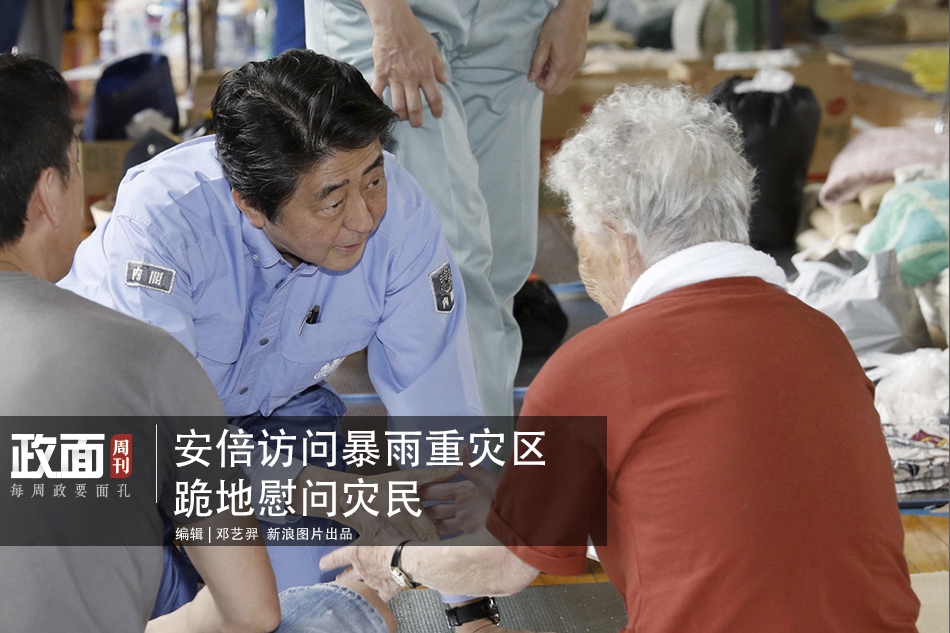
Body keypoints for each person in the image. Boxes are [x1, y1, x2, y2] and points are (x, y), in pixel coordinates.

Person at [319, 84, 923, 632]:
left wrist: (393, 559)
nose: (582, 260)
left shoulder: (594, 367)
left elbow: (502, 568)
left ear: (620, 238)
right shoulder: (824, 337)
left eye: (580, 236)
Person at [59, 47, 493, 615]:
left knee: (339, 608)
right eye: (332, 200)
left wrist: (472, 614)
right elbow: (175, 452)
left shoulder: (403, 220)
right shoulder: (163, 226)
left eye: (374, 179)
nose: (363, 217)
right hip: (122, 442)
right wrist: (339, 492)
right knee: (126, 608)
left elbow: (441, 415)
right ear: (251, 205)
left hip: (274, 423)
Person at [0, 53, 279, 633]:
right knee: (340, 606)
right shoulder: (147, 360)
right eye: (76, 164)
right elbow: (251, 612)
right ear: (49, 193)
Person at [306, 0, 592, 419]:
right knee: (444, 268)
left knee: (501, 264)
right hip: (391, 12)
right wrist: (388, 16)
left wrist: (576, 9)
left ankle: (482, 469)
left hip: (513, 19)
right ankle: (455, 471)